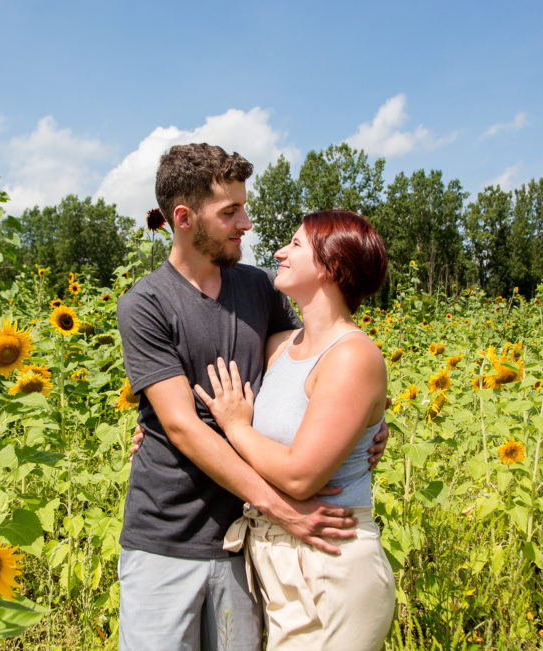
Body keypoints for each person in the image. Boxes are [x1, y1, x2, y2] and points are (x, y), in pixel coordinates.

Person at [115, 144, 388, 651]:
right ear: (183, 218)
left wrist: (371, 421)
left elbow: (314, 360)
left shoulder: (262, 289)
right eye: (229, 212)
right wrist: (282, 506)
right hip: (167, 540)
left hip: (244, 545)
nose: (246, 222)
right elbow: (181, 426)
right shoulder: (146, 304)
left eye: (243, 206)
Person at [194, 209, 395, 649]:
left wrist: (236, 428)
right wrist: (148, 430)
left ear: (331, 266)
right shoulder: (280, 347)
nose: (280, 252)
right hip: (273, 563)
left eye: (297, 245)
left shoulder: (353, 356)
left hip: (330, 564)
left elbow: (301, 476)